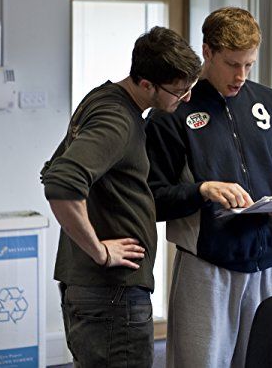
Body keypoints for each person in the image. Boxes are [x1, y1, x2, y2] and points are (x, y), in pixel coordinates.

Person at [145, 7, 272, 368]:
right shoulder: (173, 112)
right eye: (233, 64)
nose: (241, 76)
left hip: (269, 266)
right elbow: (152, 198)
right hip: (208, 267)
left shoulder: (268, 101)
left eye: (249, 64)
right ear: (207, 52)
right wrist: (201, 189)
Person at [40, 27, 201, 368]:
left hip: (98, 291)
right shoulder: (118, 120)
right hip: (111, 293)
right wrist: (100, 251)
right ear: (146, 84)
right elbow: (60, 182)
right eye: (178, 91)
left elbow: (53, 167)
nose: (186, 99)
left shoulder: (103, 99)